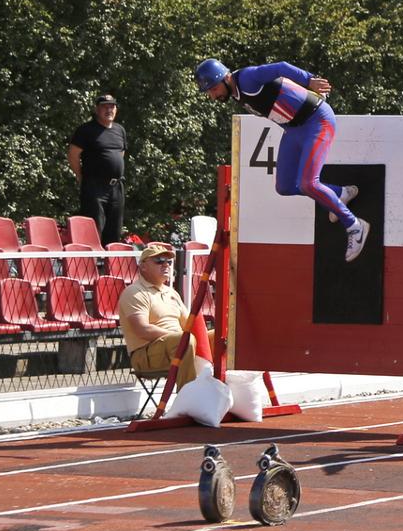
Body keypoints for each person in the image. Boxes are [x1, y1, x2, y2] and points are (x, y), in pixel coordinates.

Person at [194, 58, 369, 261]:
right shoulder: (235, 92)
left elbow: (280, 67)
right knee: (285, 186)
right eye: (209, 92)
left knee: (308, 183)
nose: (213, 96)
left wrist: (309, 80)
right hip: (294, 129)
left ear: (225, 77)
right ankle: (340, 193)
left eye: (213, 89)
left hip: (316, 121)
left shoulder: (247, 78)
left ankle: (355, 226)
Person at [119, 244, 200, 388]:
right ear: (143, 266)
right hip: (145, 355)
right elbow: (142, 330)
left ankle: (218, 393)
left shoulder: (171, 293)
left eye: (168, 262)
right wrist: (179, 337)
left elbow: (190, 325)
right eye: (159, 261)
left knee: (218, 338)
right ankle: (188, 396)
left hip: (177, 345)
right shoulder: (134, 292)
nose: (166, 265)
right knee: (185, 340)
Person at [67, 93, 128, 245]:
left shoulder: (120, 130)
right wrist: (80, 176)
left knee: (114, 230)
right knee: (94, 229)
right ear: (97, 109)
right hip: (95, 186)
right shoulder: (86, 130)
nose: (109, 110)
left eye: (112, 106)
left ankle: (110, 260)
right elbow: (73, 155)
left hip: (116, 187)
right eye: (105, 107)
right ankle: (92, 259)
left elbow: (120, 153)